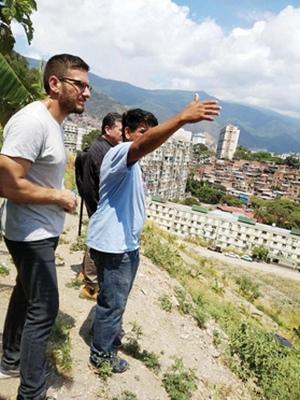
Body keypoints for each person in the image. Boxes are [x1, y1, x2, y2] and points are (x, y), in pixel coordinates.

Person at [86, 96, 221, 373]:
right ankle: (101, 355)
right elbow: (140, 145)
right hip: (115, 247)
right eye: (142, 131)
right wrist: (182, 118)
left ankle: (105, 337)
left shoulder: (131, 163)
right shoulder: (120, 153)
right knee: (113, 302)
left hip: (123, 244)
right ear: (127, 132)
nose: (147, 138)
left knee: (113, 300)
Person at [0, 53, 91, 400]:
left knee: (25, 296)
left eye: (88, 86)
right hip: (29, 234)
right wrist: (59, 197)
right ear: (55, 84)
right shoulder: (32, 122)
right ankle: (31, 393)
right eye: (79, 84)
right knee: (45, 309)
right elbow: (7, 184)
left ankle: (9, 360)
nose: (86, 93)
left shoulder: (53, 122)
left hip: (39, 231)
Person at [75, 112, 122, 300]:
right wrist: (97, 208)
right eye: (120, 129)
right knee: (95, 244)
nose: (122, 133)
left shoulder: (104, 148)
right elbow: (93, 185)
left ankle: (85, 274)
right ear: (108, 129)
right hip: (99, 206)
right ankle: (90, 287)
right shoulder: (102, 151)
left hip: (97, 205)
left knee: (93, 240)